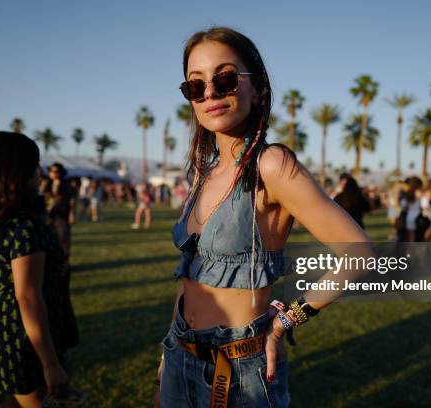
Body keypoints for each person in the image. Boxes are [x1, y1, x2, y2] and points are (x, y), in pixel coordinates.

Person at [154, 27, 369, 408]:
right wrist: (167, 355)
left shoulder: (272, 165)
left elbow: (360, 255)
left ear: (256, 87)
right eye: (195, 86)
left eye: (225, 78)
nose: (211, 94)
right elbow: (191, 272)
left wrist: (286, 322)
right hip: (179, 355)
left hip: (240, 370)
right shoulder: (205, 172)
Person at [0, 132, 80, 407]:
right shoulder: (25, 227)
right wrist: (50, 364)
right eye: (35, 165)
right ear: (16, 172)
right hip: (18, 341)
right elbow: (28, 297)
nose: (41, 172)